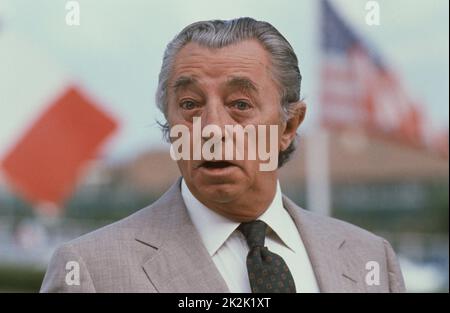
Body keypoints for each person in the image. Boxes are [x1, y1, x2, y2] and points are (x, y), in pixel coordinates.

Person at [41, 17, 405, 293]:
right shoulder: (89, 271)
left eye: (240, 104)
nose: (211, 128)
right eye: (189, 104)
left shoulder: (371, 258)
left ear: (289, 126)